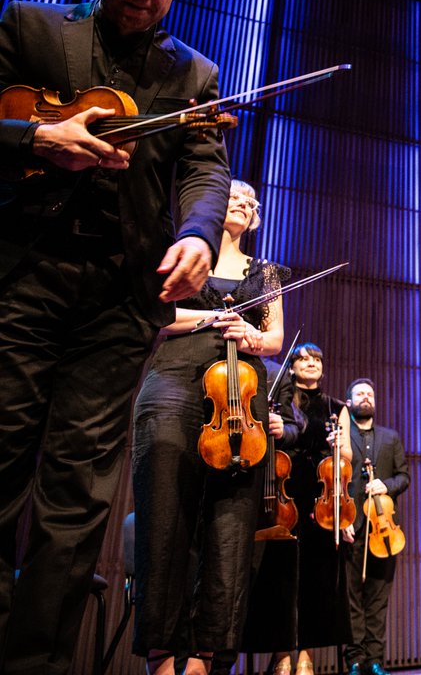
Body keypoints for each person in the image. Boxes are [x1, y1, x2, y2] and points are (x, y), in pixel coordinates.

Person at [0, 0, 231, 674]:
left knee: (77, 500)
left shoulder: (192, 74)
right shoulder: (30, 29)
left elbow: (204, 168)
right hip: (22, 280)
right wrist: (35, 136)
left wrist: (198, 233)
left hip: (116, 301)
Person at [131, 180, 288, 674]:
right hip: (176, 380)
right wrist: (210, 318)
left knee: (232, 526)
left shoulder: (265, 273)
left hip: (240, 399)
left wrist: (252, 334)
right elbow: (153, 315)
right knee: (165, 515)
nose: (244, 204)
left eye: (251, 203)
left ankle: (207, 656)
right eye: (235, 197)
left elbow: (275, 337)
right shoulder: (180, 255)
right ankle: (162, 653)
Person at [244, 342, 352, 674]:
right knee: (277, 577)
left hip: (318, 500)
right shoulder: (281, 400)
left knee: (316, 579)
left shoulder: (336, 407)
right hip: (281, 494)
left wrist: (338, 448)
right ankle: (280, 653)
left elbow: (347, 457)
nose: (310, 363)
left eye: (316, 359)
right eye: (303, 358)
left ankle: (305, 653)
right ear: (290, 368)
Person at [341, 378, 410, 675]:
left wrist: (387, 484)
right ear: (349, 402)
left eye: (370, 393)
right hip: (353, 525)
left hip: (383, 529)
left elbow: (403, 477)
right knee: (352, 598)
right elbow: (336, 480)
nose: (366, 397)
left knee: (378, 598)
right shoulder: (342, 436)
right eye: (360, 394)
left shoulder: (390, 437)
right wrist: (342, 519)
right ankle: (355, 659)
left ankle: (375, 659)